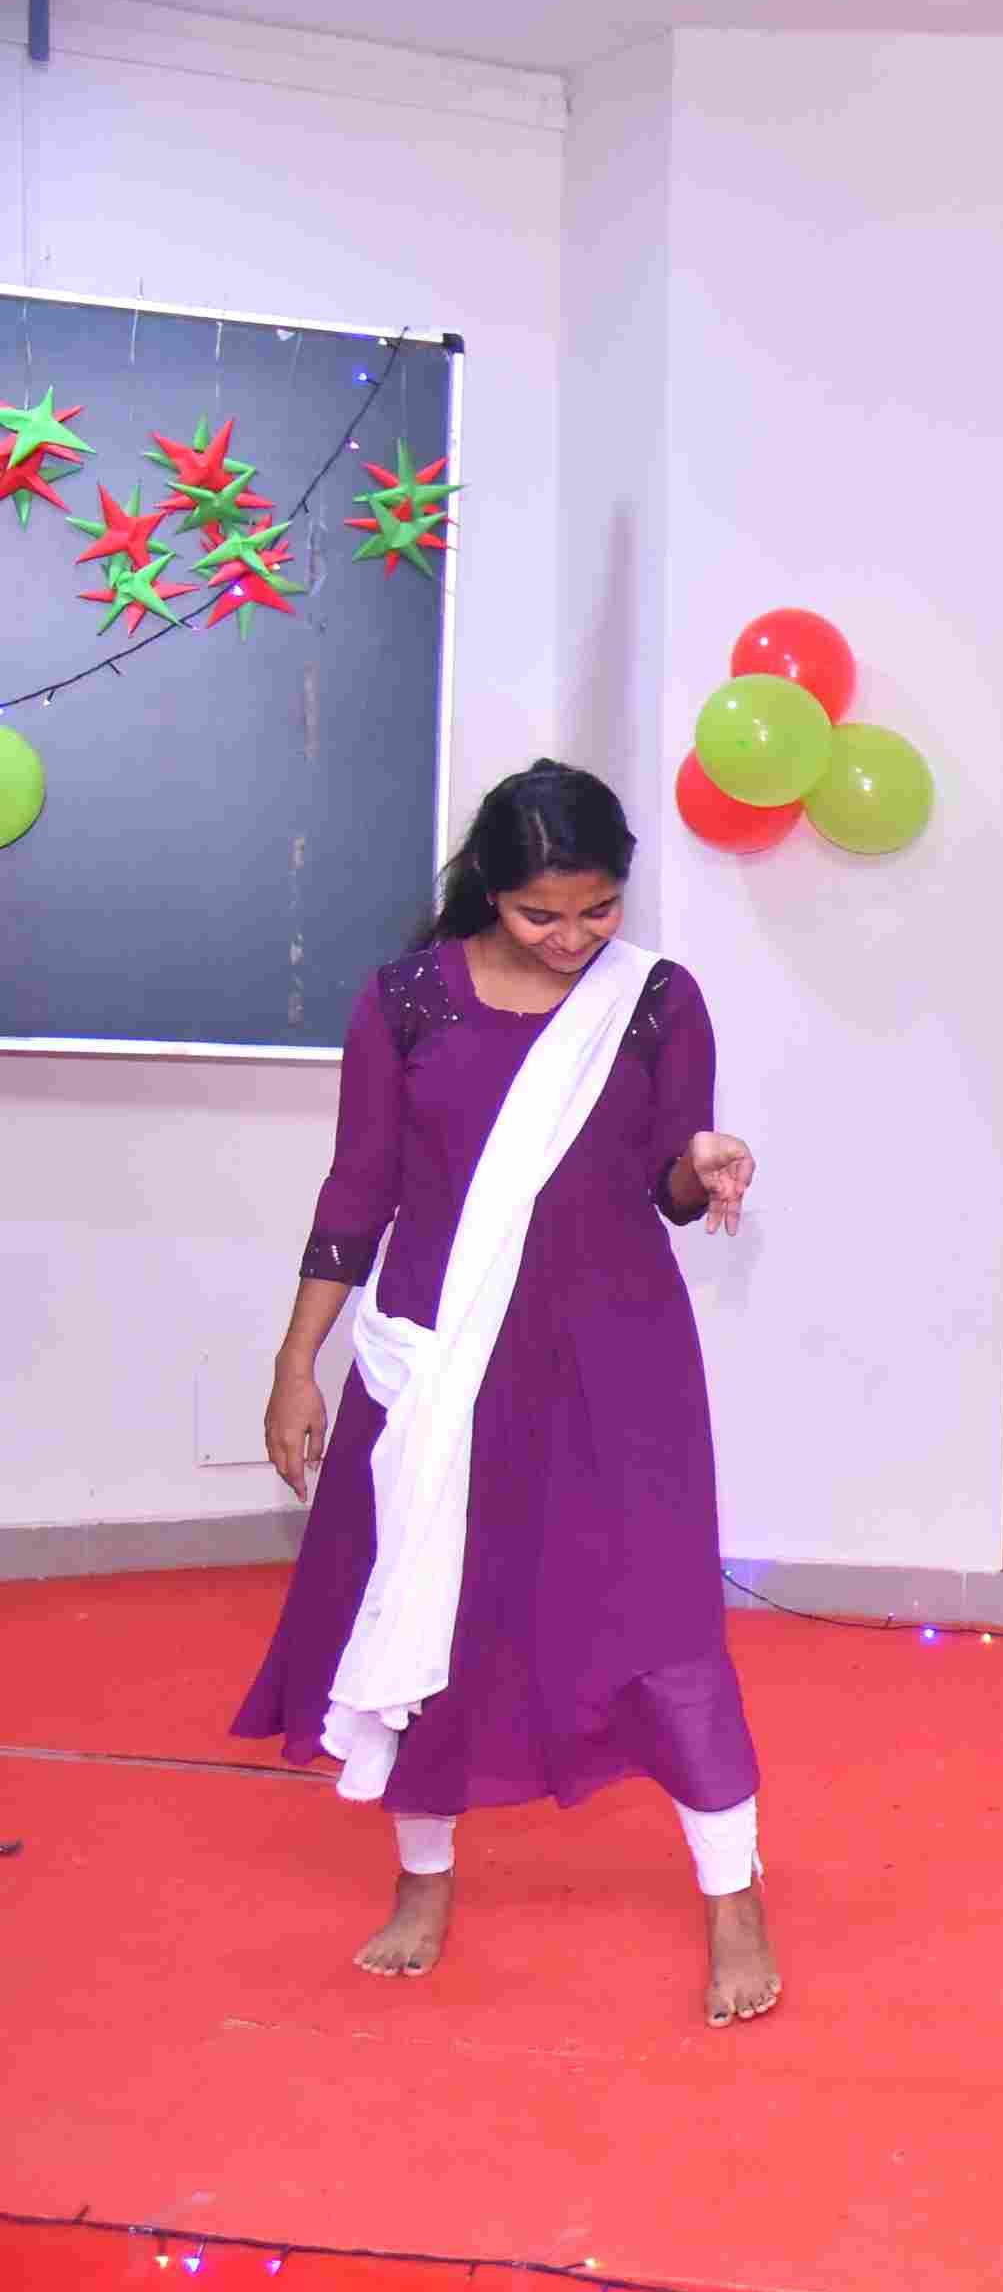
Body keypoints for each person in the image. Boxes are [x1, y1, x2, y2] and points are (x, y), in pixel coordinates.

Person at [240, 761, 778, 2026]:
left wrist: (705, 1165)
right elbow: (357, 1188)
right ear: (489, 886)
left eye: (598, 910)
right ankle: (423, 1877)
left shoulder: (654, 1000)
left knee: (660, 1615)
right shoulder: (406, 1001)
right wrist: (295, 1361)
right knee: (428, 1597)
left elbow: (669, 1178)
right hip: (439, 1359)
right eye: (544, 913)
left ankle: (733, 1893)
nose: (573, 937)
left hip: (617, 1355)